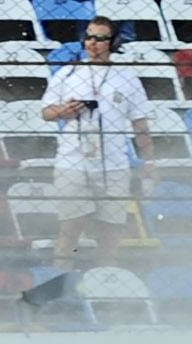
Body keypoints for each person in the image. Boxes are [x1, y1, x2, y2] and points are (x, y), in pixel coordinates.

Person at [40, 16, 150, 272]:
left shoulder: (127, 77)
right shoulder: (68, 73)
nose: (93, 43)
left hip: (113, 164)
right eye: (89, 36)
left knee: (110, 234)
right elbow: (45, 112)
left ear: (112, 42)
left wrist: (149, 161)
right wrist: (63, 110)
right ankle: (62, 283)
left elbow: (140, 123)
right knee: (69, 229)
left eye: (100, 38)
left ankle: (104, 282)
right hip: (73, 161)